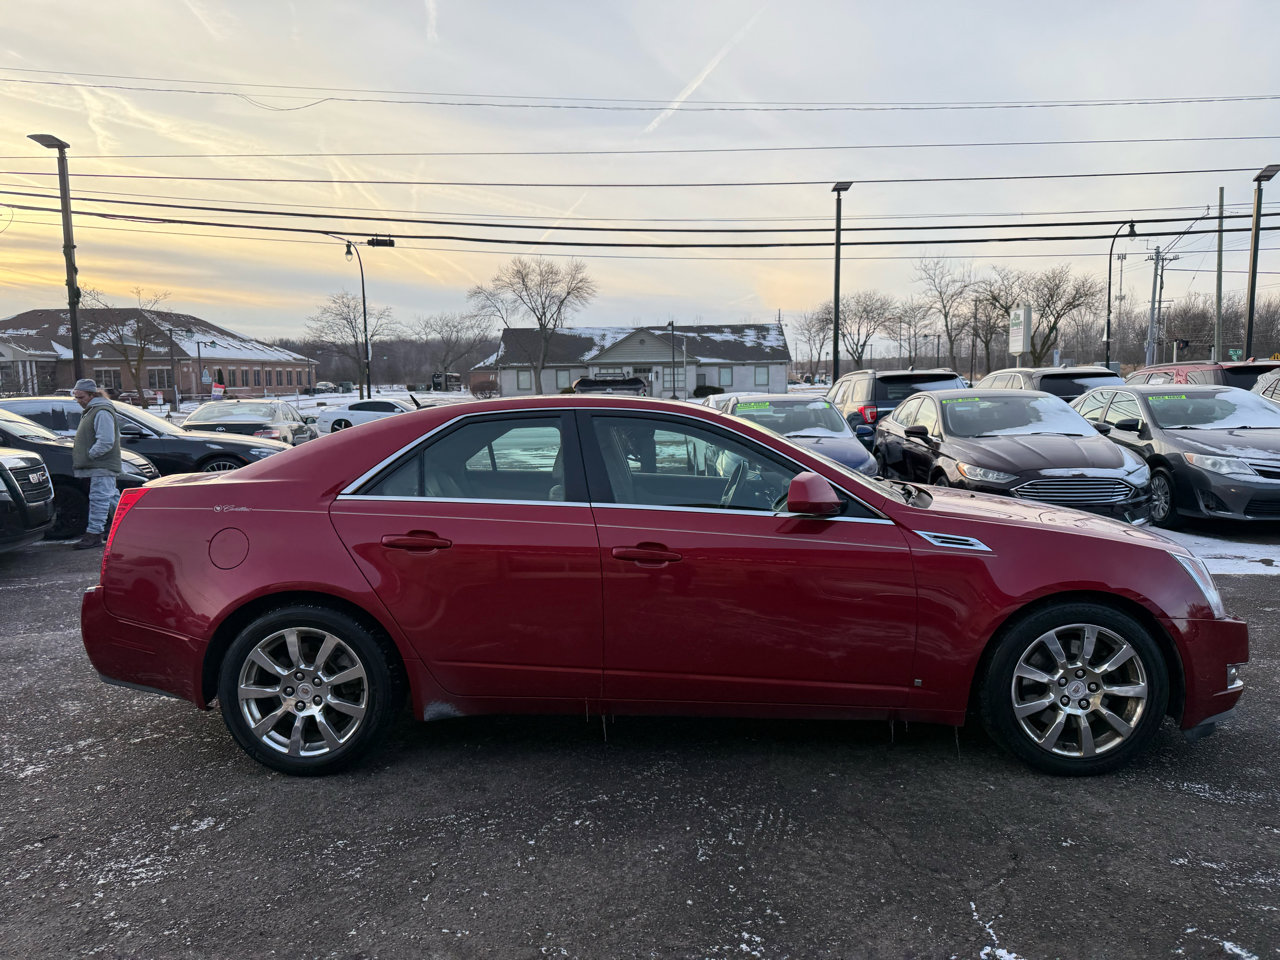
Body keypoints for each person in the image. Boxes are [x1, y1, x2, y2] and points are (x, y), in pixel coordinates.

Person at [71, 379, 122, 550]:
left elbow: (106, 441)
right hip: (101, 464)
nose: (79, 400)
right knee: (111, 498)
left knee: (99, 499)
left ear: (92, 395)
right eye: (76, 397)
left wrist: (90, 454)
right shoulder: (95, 411)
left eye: (81, 397)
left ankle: (94, 534)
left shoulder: (101, 412)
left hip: (100, 465)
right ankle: (126, 527)